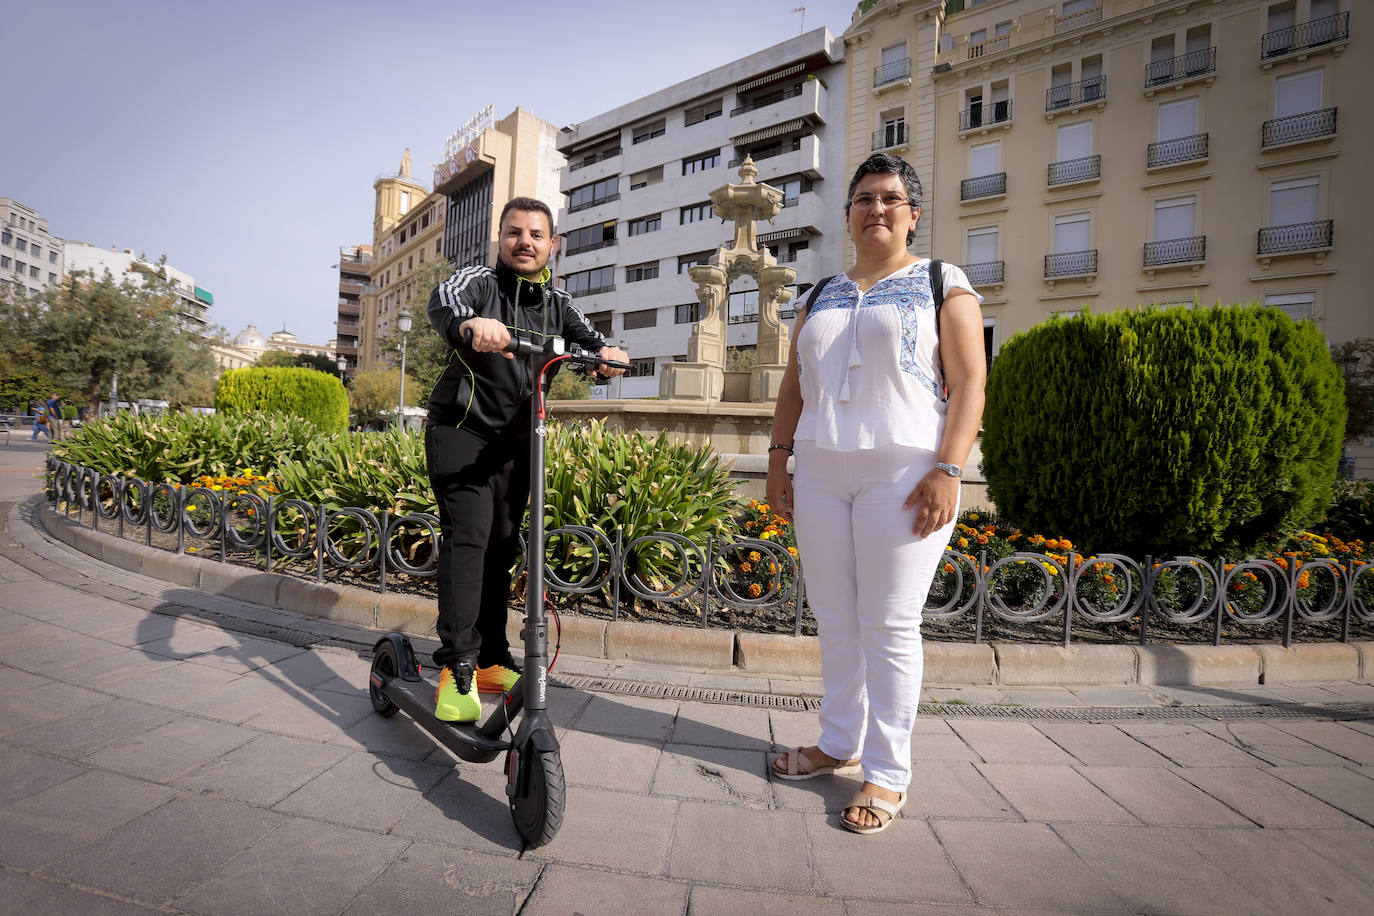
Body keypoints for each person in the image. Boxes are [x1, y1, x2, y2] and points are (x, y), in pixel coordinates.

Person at [765, 153, 986, 835]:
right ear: (850, 214)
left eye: (891, 198)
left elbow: (971, 381)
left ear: (913, 214)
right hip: (824, 474)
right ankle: (839, 741)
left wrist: (950, 469)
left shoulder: (943, 284)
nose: (877, 209)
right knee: (834, 616)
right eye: (864, 198)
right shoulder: (820, 293)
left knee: (889, 624)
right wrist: (779, 462)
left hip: (905, 473)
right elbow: (794, 389)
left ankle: (887, 774)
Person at [425, 196, 628, 722]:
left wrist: (606, 357)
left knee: (502, 546)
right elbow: (443, 302)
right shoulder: (476, 284)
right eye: (515, 233)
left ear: (552, 244)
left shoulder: (559, 304)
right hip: (463, 433)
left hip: (519, 444)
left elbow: (592, 341)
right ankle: (458, 668)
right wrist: (471, 326)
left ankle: (491, 659)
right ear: (501, 239)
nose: (525, 242)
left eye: (536, 235)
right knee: (469, 540)